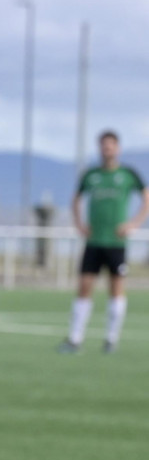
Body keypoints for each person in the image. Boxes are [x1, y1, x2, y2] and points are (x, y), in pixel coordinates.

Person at [59, 130, 149, 354]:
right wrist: (79, 224)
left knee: (116, 288)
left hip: (116, 243)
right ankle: (75, 338)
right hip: (94, 241)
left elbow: (146, 196)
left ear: (117, 148)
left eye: (111, 145)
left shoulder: (128, 174)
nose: (107, 149)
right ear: (99, 148)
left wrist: (134, 223)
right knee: (84, 286)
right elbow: (76, 198)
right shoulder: (91, 175)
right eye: (103, 145)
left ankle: (111, 339)